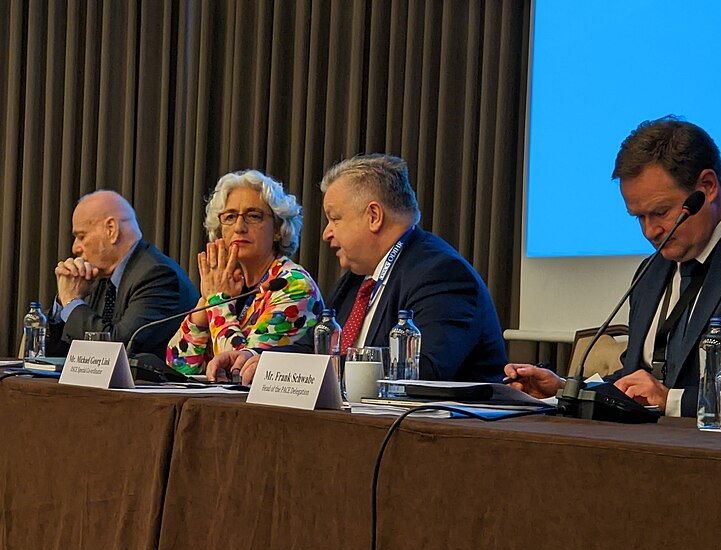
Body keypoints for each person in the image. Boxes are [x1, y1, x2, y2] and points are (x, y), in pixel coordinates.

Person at [505, 116, 721, 416]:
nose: (650, 231)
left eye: (660, 212)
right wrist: (563, 389)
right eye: (639, 217)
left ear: (707, 187)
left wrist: (672, 400)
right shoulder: (651, 271)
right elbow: (636, 382)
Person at [206, 154, 508, 384]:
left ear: (374, 216)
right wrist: (257, 357)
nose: (326, 233)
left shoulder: (442, 275)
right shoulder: (357, 280)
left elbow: (420, 371)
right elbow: (317, 349)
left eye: (335, 219)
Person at [166, 170, 323, 374]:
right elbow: (178, 366)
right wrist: (204, 305)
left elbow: (240, 372)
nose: (239, 227)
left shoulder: (293, 285)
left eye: (253, 216)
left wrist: (216, 301)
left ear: (277, 229)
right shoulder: (229, 283)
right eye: (230, 217)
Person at [48, 190, 198, 359]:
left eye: (82, 236)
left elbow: (117, 350)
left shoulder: (157, 276)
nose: (75, 248)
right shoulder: (98, 278)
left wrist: (72, 301)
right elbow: (56, 354)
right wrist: (63, 302)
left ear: (111, 230)